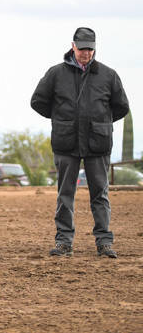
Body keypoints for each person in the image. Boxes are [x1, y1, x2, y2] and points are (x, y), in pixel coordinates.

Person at [31, 27, 129, 259]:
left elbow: (121, 106)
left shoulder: (109, 75)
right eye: (82, 48)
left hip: (98, 143)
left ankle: (104, 243)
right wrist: (62, 119)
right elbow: (38, 101)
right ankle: (64, 242)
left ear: (95, 49)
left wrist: (101, 122)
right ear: (73, 46)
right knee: (65, 193)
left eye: (90, 49)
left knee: (100, 194)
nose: (86, 53)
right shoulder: (55, 73)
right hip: (66, 143)